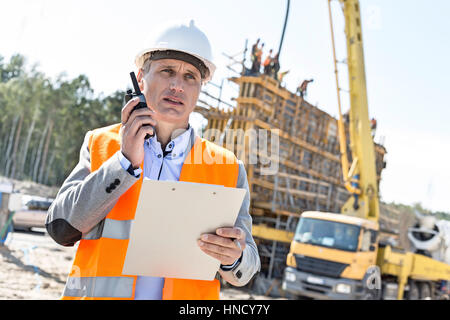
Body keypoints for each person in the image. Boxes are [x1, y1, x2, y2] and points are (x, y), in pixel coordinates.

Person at [46, 20, 260, 300]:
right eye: (167, 71)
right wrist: (123, 163)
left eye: (190, 77)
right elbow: (61, 228)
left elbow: (249, 267)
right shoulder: (102, 144)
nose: (177, 85)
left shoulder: (226, 167)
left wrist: (234, 257)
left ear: (200, 89)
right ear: (140, 77)